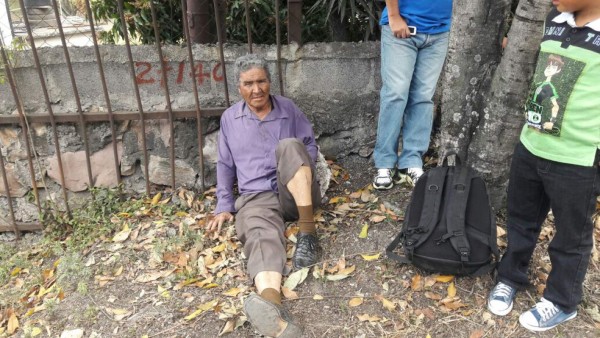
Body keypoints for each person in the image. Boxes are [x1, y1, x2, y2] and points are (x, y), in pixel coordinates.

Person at [487, 0, 600, 332]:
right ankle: (510, 276)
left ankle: (562, 301)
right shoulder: (556, 17)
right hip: (532, 144)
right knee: (521, 221)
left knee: (571, 236)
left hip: (578, 158)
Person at [206, 54, 321, 337]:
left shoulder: (288, 108)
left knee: (291, 146)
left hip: (296, 192)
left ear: (269, 82)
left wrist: (300, 174)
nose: (256, 90)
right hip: (256, 196)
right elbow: (225, 163)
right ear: (239, 86)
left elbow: (310, 146)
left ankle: (308, 233)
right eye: (248, 84)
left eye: (261, 81)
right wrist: (224, 204)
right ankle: (274, 311)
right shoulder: (230, 119)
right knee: (258, 236)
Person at [372, 0, 453, 190]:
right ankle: (384, 164)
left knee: (423, 97)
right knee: (395, 94)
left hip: (440, 32)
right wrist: (393, 16)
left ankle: (411, 162)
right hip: (402, 26)